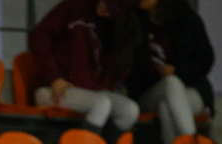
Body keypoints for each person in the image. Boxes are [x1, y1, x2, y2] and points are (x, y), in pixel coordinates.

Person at [29, 0, 141, 137]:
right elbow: (38, 36)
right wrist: (54, 77)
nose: (105, 10)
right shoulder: (74, 6)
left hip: (91, 91)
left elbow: (118, 65)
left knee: (130, 110)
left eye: (112, 10)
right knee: (101, 104)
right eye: (106, 4)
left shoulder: (116, 26)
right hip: (53, 89)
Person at [127, 0, 215, 144]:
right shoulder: (133, 21)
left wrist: (177, 71)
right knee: (171, 83)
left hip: (191, 87)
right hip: (150, 91)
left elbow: (205, 59)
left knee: (166, 107)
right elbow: (130, 68)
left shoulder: (186, 18)